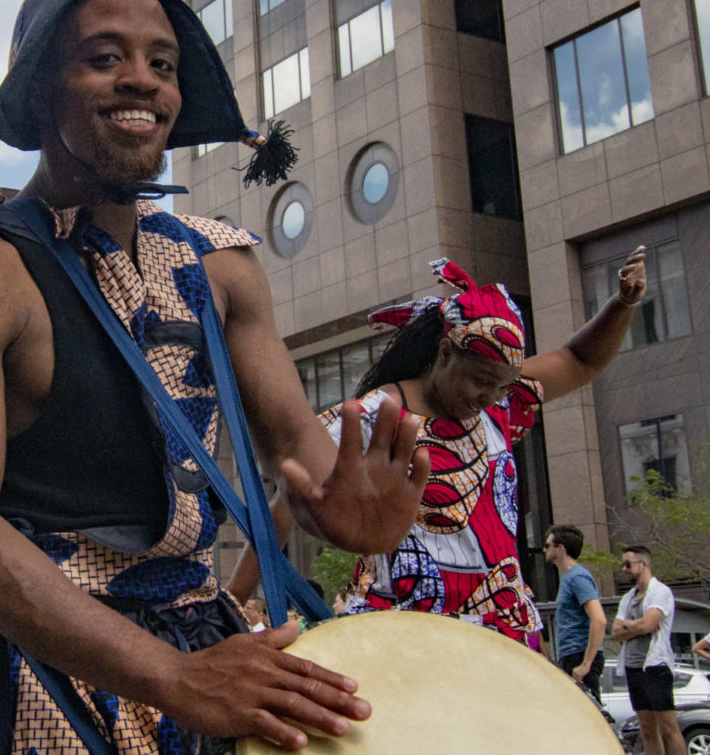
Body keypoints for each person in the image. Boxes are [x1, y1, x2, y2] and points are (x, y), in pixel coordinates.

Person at [0, 0, 427, 755]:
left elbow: (303, 454)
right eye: (102, 58)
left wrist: (346, 511)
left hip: (207, 655)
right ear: (39, 89)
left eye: (159, 60)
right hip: (39, 672)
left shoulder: (223, 267)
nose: (139, 78)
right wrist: (173, 679)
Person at [231, 251, 647, 642]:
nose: (491, 396)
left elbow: (580, 360)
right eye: (481, 381)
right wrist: (232, 605)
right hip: (406, 633)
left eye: (502, 385)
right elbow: (288, 502)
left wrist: (622, 305)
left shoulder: (498, 404)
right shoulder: (374, 417)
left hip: (500, 632)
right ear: (445, 351)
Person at [611, 545, 688, 755]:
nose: (625, 569)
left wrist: (633, 626)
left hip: (655, 666)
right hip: (633, 666)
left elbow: (648, 623)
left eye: (628, 564)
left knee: (668, 725)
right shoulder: (628, 597)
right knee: (647, 727)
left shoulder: (660, 592)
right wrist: (638, 626)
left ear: (643, 564)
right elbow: (617, 631)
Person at [544, 524, 606, 700]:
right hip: (571, 654)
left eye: (548, 545)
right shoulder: (569, 577)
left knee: (589, 718)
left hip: (579, 655)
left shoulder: (577, 577)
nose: (544, 549)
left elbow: (599, 619)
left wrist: (585, 664)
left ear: (561, 548)